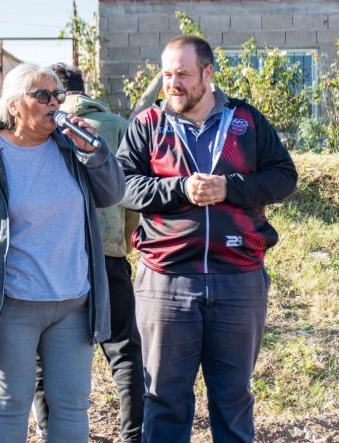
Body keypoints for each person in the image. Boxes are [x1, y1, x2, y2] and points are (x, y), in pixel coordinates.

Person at [116, 35, 298, 443]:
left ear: (208, 73)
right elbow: (122, 185)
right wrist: (181, 189)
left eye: (182, 74)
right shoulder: (148, 124)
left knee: (233, 400)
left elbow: (284, 177)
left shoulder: (246, 121)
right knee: (164, 401)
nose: (172, 83)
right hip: (166, 280)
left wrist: (229, 188)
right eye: (166, 74)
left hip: (239, 279)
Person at [0, 63, 125, 442]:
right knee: (10, 405)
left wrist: (97, 153)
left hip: (73, 301)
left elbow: (112, 195)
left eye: (58, 96)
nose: (54, 102)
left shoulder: (72, 147)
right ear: (14, 105)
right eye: (42, 96)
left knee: (71, 405)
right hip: (12, 305)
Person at [30, 63, 144, 443]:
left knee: (44, 360)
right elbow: (131, 198)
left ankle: (51, 433)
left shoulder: (39, 128)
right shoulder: (116, 124)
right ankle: (134, 435)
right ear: (85, 87)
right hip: (109, 257)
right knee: (125, 351)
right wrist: (122, 243)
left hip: (55, 263)